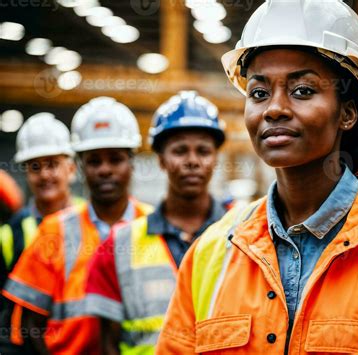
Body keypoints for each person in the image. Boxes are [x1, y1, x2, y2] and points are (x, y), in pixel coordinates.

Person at [157, 1, 358, 354]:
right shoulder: (212, 251)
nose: (274, 108)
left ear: (347, 113)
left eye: (303, 90)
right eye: (259, 93)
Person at [84, 90, 231, 354]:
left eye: (203, 151)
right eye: (179, 151)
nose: (192, 162)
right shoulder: (118, 246)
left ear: (215, 158)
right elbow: (106, 343)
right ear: (161, 160)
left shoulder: (242, 234)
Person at [2, 97, 152, 355]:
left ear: (131, 162)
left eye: (115, 159)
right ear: (80, 166)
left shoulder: (155, 225)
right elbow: (30, 323)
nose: (105, 170)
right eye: (94, 161)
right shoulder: (54, 230)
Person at [0, 113, 81, 355]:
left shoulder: (92, 223)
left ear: (71, 168)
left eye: (52, 164)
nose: (45, 174)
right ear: (25, 171)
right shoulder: (9, 235)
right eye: (35, 166)